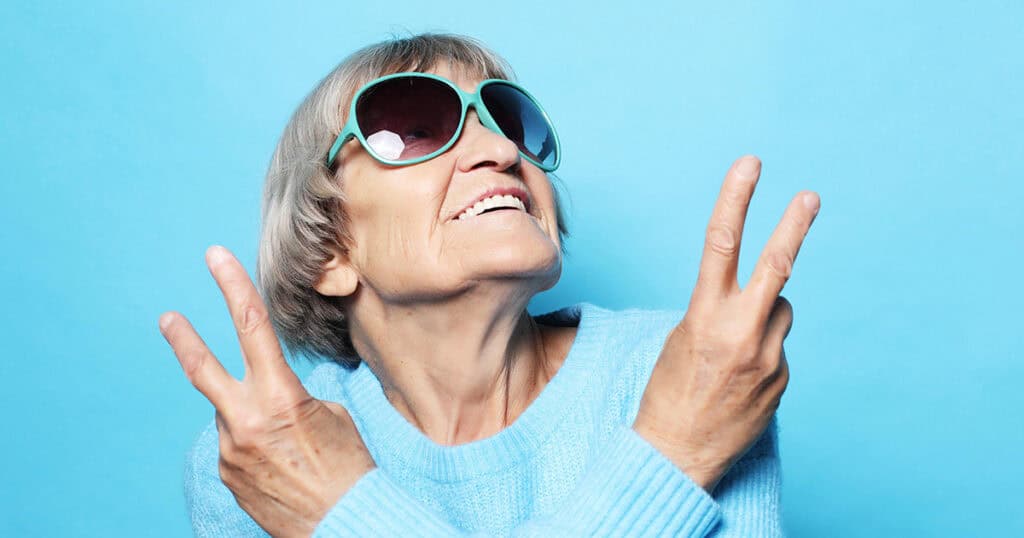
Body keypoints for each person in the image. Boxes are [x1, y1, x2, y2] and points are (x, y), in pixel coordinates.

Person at [159, 33, 819, 537]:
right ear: (329, 248)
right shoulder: (264, 454)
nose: (501, 151)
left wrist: (341, 515)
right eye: (416, 130)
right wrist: (673, 453)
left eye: (510, 123)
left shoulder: (692, 370)